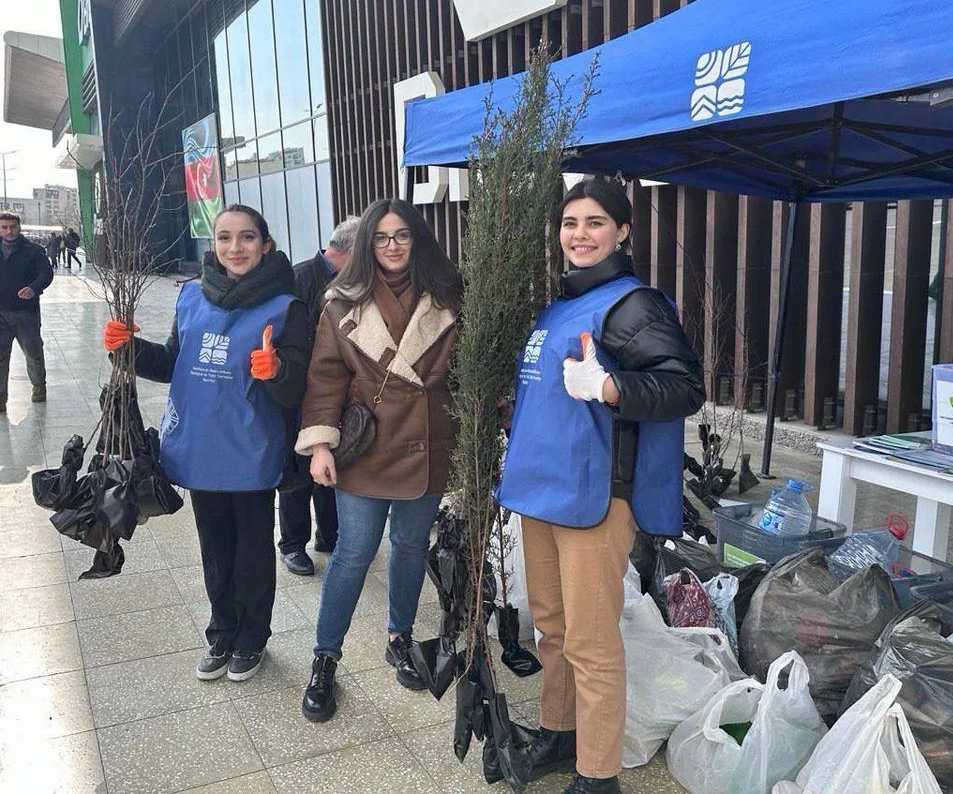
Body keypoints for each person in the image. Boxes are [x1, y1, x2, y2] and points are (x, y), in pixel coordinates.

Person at [496, 177, 705, 794]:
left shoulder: (635, 305)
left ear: (623, 232)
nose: (580, 235)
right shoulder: (558, 306)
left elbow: (685, 387)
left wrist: (612, 389)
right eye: (570, 224)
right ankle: (561, 735)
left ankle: (598, 775)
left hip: (595, 496)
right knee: (553, 629)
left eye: (594, 223)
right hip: (541, 490)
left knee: (590, 641)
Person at [104, 204, 310, 682]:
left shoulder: (286, 306)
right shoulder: (192, 297)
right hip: (200, 446)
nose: (235, 248)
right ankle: (222, 633)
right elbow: (174, 361)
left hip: (252, 449)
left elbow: (298, 386)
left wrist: (277, 370)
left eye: (246, 238)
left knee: (253, 549)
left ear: (265, 244)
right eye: (224, 238)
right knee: (214, 548)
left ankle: (253, 638)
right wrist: (127, 349)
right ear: (212, 244)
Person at [295, 198, 462, 721]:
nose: (392, 246)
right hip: (365, 447)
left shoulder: (450, 297)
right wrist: (321, 444)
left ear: (418, 239)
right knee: (353, 553)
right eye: (382, 237)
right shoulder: (341, 303)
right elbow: (326, 376)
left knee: (411, 547)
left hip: (426, 444)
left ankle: (400, 637)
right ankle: (325, 658)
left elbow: (469, 373)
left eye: (402, 235)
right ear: (367, 244)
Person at [276, 216, 360, 576]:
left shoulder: (353, 282)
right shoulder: (299, 278)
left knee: (330, 467)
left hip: (333, 393)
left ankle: (330, 536)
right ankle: (292, 544)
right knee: (296, 474)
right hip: (297, 393)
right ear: (352, 251)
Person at [0, 211, 55, 412]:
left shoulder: (33, 251)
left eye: (13, 227)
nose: (9, 231)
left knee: (33, 352)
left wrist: (33, 288)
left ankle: (38, 386)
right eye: (4, 227)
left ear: (19, 227)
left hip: (26, 312)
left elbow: (46, 273)